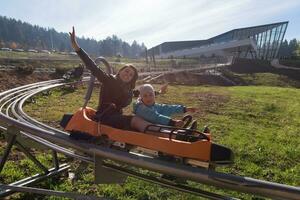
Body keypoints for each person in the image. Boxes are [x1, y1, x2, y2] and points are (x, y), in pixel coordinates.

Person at [69, 27, 166, 132]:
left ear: (132, 79)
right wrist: (76, 46)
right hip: (105, 117)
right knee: (136, 120)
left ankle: (164, 132)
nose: (128, 75)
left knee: (142, 118)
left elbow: (142, 93)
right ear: (120, 71)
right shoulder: (109, 80)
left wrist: (159, 92)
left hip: (115, 117)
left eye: (131, 75)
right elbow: (92, 66)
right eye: (127, 71)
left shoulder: (128, 88)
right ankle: (164, 134)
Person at [133, 84, 197, 129]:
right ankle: (182, 135)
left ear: (154, 95)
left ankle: (188, 134)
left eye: (150, 95)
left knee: (165, 124)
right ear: (141, 98)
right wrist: (172, 122)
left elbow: (167, 108)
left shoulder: (154, 105)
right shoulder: (141, 108)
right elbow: (155, 117)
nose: (148, 98)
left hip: (156, 126)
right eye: (145, 96)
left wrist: (184, 109)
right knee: (164, 129)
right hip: (149, 130)